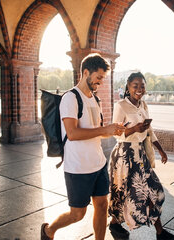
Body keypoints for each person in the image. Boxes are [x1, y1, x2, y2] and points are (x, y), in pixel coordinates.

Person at [41, 53, 126, 240]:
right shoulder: (70, 98)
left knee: (102, 205)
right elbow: (72, 134)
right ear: (86, 72)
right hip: (78, 167)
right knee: (77, 214)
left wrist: (111, 130)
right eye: (98, 78)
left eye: (103, 79)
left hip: (98, 163)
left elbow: (98, 131)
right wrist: (104, 129)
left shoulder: (95, 100)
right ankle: (49, 230)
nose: (100, 82)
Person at [108, 72, 174, 240]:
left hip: (140, 155)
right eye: (135, 86)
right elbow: (116, 133)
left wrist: (160, 150)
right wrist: (134, 129)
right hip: (124, 155)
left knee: (153, 191)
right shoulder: (121, 105)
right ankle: (116, 224)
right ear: (128, 87)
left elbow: (150, 131)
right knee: (124, 193)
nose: (139, 89)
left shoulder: (144, 105)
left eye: (142, 86)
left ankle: (159, 233)